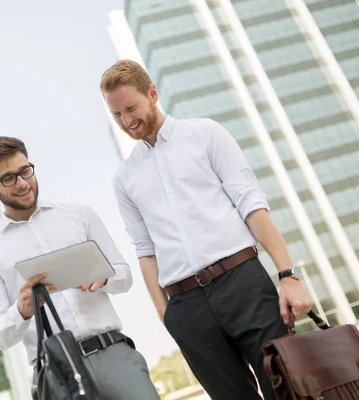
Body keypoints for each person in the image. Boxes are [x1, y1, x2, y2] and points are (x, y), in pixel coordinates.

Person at [100, 59, 313, 400]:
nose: (126, 121)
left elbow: (252, 206)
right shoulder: (125, 178)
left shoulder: (205, 134)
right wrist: (165, 314)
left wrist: (288, 274)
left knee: (286, 387)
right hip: (185, 306)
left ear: (152, 94)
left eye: (131, 108)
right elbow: (144, 249)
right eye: (117, 115)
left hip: (242, 282)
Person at [0, 136, 160, 400]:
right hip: (56, 374)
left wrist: (103, 278)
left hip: (113, 356)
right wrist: (21, 311)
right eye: (9, 178)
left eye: (25, 171)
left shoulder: (78, 215)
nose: (23, 183)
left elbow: (124, 275)